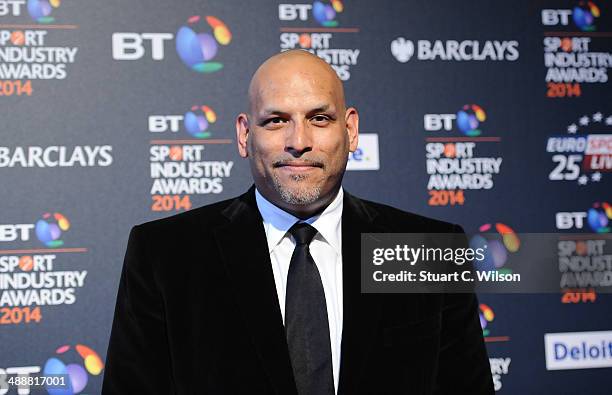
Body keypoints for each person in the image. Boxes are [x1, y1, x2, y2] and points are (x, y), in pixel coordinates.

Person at [102, 50, 494, 394]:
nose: (298, 140)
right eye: (275, 120)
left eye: (319, 118)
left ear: (351, 130)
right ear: (243, 135)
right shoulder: (167, 255)